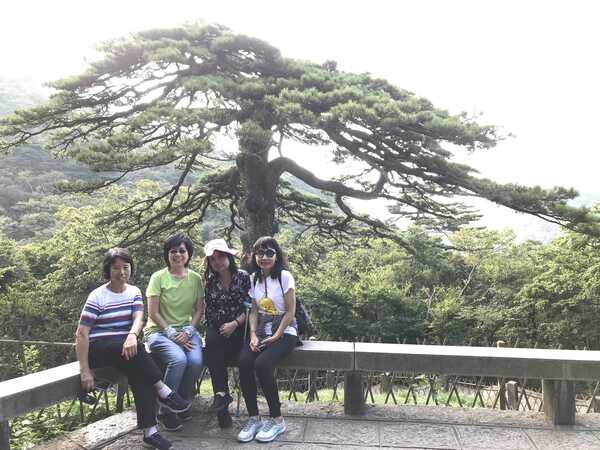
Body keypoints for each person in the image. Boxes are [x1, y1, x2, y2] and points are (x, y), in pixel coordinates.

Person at [75, 248, 191, 450]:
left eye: (125, 267)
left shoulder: (134, 292)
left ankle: (150, 433)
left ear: (131, 268)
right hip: (99, 350)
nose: (121, 272)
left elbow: (138, 318)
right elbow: (82, 333)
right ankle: (164, 391)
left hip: (126, 350)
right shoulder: (97, 296)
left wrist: (131, 335)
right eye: (116, 268)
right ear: (108, 270)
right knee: (137, 355)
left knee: (141, 375)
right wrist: (84, 370)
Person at [237, 236, 298, 443]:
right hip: (263, 329)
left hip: (285, 330)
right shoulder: (254, 278)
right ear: (254, 256)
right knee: (244, 362)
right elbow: (254, 311)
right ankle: (254, 417)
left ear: (277, 255)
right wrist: (253, 335)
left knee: (263, 364)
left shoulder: (284, 277)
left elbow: (290, 311)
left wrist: (277, 335)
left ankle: (277, 419)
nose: (264, 257)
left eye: (269, 252)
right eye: (260, 253)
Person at [144, 234, 204, 431]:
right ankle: (166, 410)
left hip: (186, 331)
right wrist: (171, 333)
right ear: (167, 254)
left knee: (195, 361)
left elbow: (199, 310)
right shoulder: (158, 278)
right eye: (173, 251)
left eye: (182, 251)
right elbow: (153, 313)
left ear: (188, 254)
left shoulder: (195, 279)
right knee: (178, 359)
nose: (178, 255)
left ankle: (182, 402)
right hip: (158, 331)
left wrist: (188, 330)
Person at [202, 238, 250, 426]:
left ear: (229, 257)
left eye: (220, 256)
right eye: (212, 259)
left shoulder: (243, 277)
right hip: (219, 329)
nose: (217, 261)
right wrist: (222, 326)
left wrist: (234, 324)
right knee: (212, 340)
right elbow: (210, 310)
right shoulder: (210, 282)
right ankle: (221, 395)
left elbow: (251, 307)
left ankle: (221, 398)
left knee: (216, 349)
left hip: (241, 328)